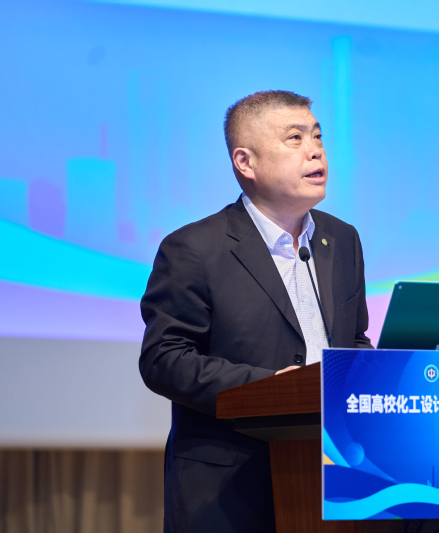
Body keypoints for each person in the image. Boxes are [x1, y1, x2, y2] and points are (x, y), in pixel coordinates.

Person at [139, 90, 373, 533]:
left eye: (317, 136)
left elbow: (354, 340)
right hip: (228, 488)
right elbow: (164, 360)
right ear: (245, 162)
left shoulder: (342, 239)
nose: (315, 150)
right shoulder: (194, 248)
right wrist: (269, 387)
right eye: (294, 138)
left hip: (334, 477)